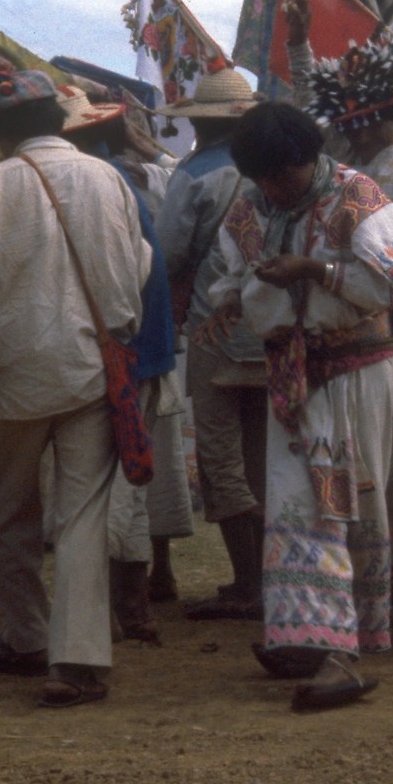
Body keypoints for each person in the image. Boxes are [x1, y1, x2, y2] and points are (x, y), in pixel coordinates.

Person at [0, 64, 151, 707]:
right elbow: (139, 267)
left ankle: (28, 635)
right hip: (96, 363)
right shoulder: (108, 178)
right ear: (60, 121)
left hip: (19, 367)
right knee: (83, 513)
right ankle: (78, 659)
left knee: (7, 508)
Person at [214, 101, 393, 710]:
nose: (276, 188)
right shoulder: (252, 207)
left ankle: (340, 653)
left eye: (286, 175)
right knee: (294, 505)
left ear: (310, 158)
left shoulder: (359, 199)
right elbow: (233, 273)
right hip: (293, 374)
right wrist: (230, 300)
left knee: (339, 507)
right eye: (265, 178)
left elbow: (389, 284)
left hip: (355, 372)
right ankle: (308, 636)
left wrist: (313, 269)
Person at [294, 26, 393, 644]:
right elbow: (304, 116)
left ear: (391, 114)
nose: (354, 133)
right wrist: (302, 48)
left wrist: (382, 235)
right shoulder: (353, 165)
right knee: (372, 471)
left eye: (363, 123)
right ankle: (383, 595)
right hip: (361, 339)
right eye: (349, 124)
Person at [61, 84, 181, 646]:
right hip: (144, 346)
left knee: (103, 487)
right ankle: (133, 609)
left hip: (118, 349)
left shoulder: (94, 184)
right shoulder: (119, 179)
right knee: (128, 482)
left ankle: (110, 609)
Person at [154, 67, 269, 620]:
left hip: (214, 329)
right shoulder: (270, 168)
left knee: (221, 458)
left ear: (199, 122)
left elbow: (169, 253)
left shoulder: (195, 173)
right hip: (270, 330)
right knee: (263, 456)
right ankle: (270, 576)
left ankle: (247, 582)